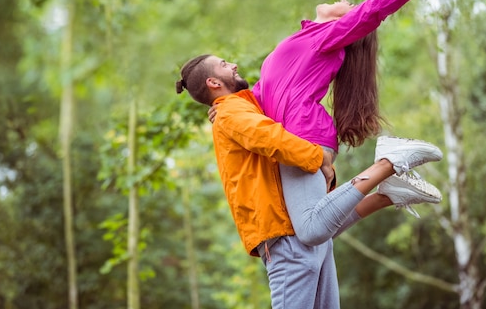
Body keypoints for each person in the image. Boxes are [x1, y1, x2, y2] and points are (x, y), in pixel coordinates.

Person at [176, 54, 443, 309]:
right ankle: (388, 193)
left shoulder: (233, 110)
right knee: (319, 227)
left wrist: (317, 159)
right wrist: (319, 158)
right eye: (224, 64)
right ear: (213, 82)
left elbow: (271, 129)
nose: (232, 65)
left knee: (317, 227)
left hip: (282, 238)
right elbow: (270, 138)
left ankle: (387, 165)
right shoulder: (231, 112)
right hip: (286, 230)